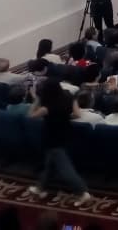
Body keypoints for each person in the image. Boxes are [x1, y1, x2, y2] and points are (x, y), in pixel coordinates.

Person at [26, 78, 92, 206]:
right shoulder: (68, 95)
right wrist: (64, 116)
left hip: (52, 137)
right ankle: (40, 188)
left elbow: (30, 115)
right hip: (66, 132)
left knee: (65, 169)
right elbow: (77, 114)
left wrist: (37, 99)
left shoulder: (47, 107)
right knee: (50, 163)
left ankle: (82, 193)